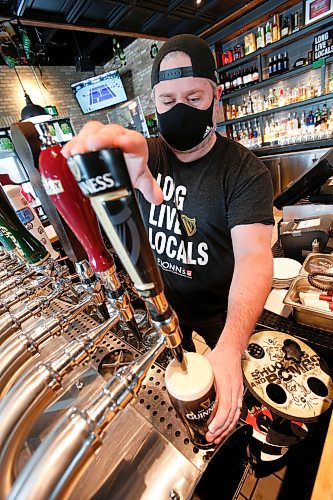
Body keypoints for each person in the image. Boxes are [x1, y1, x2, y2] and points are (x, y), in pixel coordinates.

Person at [62, 34, 274, 445]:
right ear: (152, 103)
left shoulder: (244, 170)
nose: (180, 110)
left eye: (194, 98)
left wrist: (230, 347)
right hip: (165, 306)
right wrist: (105, 148)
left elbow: (254, 257)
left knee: (226, 403)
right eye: (167, 100)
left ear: (215, 95)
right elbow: (130, 147)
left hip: (223, 315)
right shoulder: (147, 158)